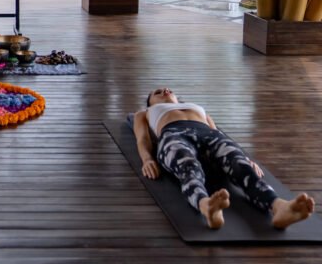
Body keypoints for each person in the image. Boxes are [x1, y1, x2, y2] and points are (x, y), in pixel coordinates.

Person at [134, 87, 315, 230]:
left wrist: (243, 157)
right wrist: (147, 160)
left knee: (240, 166)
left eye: (168, 89)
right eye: (158, 92)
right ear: (150, 102)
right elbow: (142, 139)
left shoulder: (198, 108)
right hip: (174, 134)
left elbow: (218, 133)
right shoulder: (145, 113)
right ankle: (207, 206)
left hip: (208, 134)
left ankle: (279, 207)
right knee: (188, 167)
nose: (165, 91)